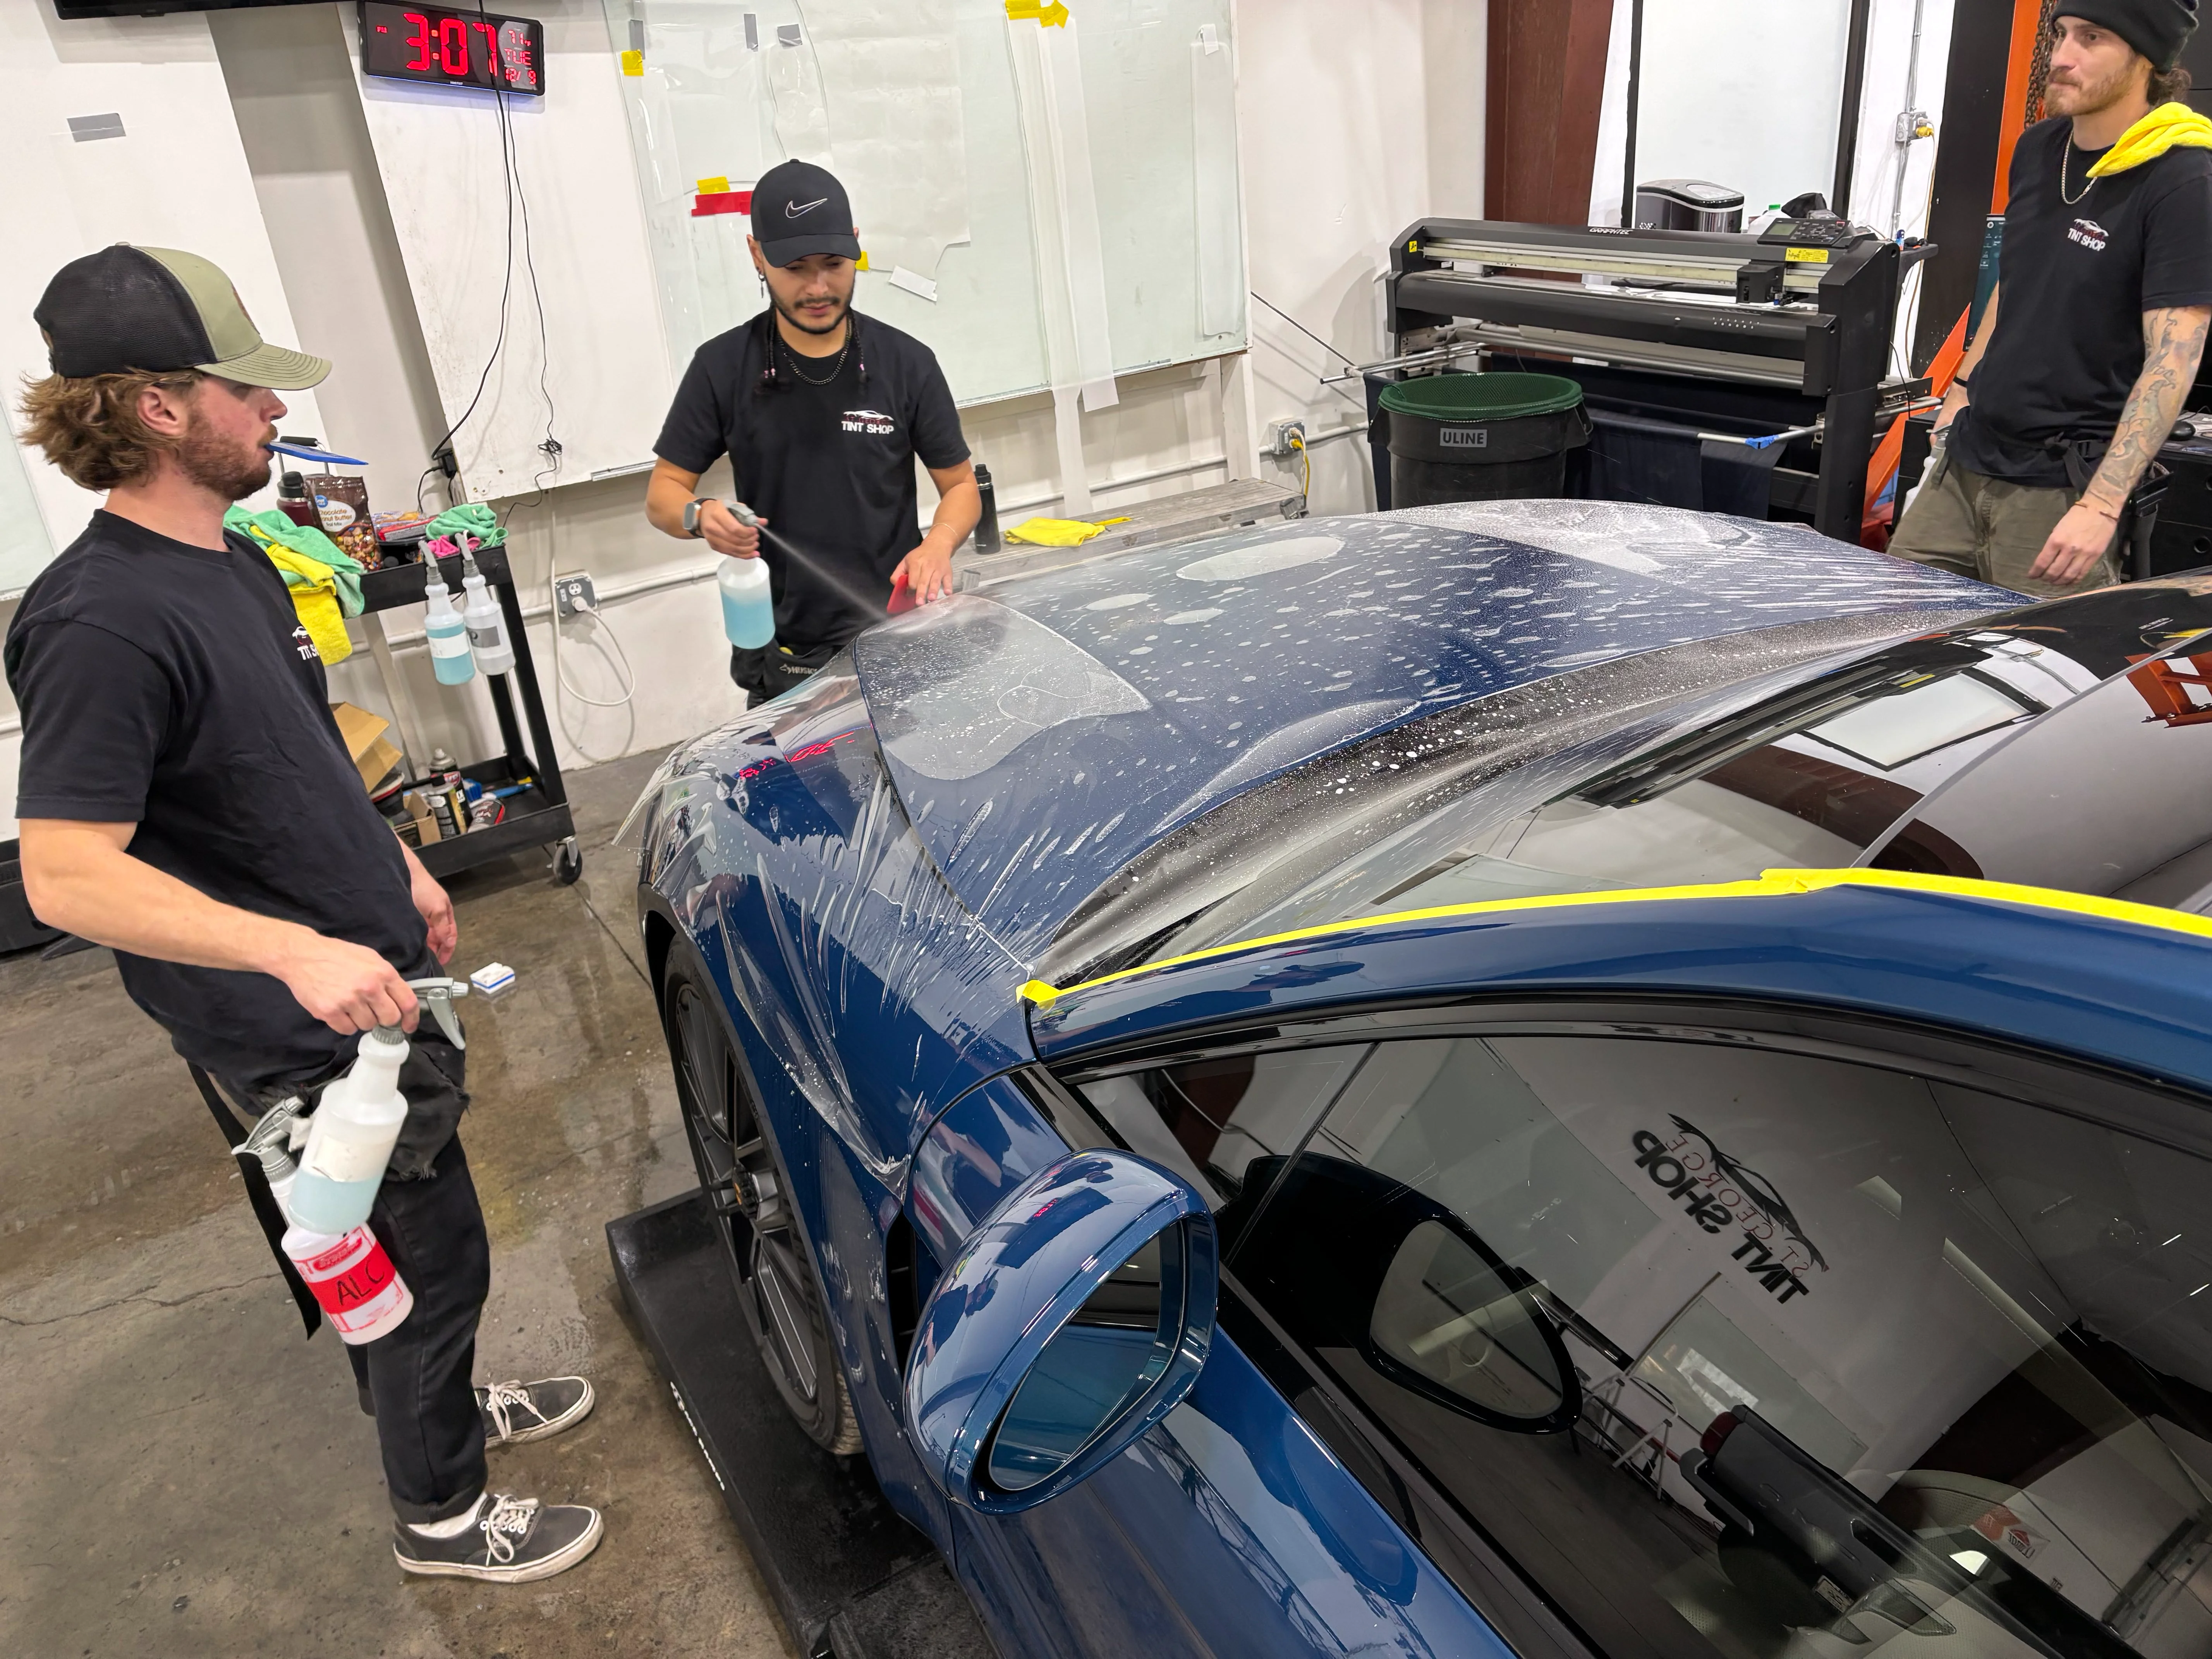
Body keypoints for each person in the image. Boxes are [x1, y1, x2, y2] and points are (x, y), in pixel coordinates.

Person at [7, 245, 601, 1584]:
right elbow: (66, 874)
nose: (277, 410)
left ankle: (442, 1417)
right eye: (248, 389)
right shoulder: (96, 623)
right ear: (158, 406)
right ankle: (442, 1514)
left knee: (410, 1250)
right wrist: (293, 949)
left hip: (364, 974)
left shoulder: (239, 563)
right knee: (424, 1259)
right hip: (290, 1022)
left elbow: (300, 753)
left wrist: (399, 867)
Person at [1891, 1, 2212, 596]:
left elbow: (2174, 357)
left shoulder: (2182, 179)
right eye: (2061, 33)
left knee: (2040, 655)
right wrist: (1960, 390)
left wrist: (2102, 505)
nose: (2061, 57)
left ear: (2147, 58)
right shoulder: (2040, 147)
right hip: (1966, 462)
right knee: (1889, 626)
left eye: (2091, 38)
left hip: (2060, 489)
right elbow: (2015, 282)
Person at [644, 160, 981, 701]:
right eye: (796, 268)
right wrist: (699, 515)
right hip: (787, 656)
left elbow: (961, 486)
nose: (819, 288)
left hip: (899, 638)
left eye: (834, 264)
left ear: (855, 245)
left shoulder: (907, 363)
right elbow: (663, 495)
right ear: (758, 255)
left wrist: (939, 543)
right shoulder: (722, 367)